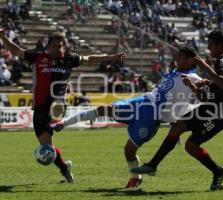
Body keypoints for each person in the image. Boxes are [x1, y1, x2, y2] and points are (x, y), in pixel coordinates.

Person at [50, 47, 202, 188]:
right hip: (142, 101)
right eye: (178, 57)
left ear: (191, 60)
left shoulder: (194, 78)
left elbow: (198, 97)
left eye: (181, 58)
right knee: (104, 109)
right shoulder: (176, 71)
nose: (178, 60)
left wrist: (176, 120)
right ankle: (64, 122)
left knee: (129, 150)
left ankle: (135, 177)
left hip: (152, 116)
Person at [0, 28, 126, 183]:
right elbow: (17, 51)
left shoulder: (69, 59)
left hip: (58, 104)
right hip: (40, 107)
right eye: (54, 46)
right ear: (49, 46)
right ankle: (64, 168)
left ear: (64, 47)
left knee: (56, 108)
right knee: (47, 149)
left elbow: (91, 58)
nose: (57, 49)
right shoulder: (38, 57)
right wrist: (3, 38)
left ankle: (57, 121)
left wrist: (112, 57)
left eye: (60, 46)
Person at [132, 29, 223, 191]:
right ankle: (153, 165)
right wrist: (194, 87)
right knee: (178, 127)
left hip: (219, 114)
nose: (209, 49)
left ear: (220, 45)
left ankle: (218, 171)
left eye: (211, 45)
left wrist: (205, 66)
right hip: (210, 109)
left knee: (190, 145)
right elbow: (206, 97)